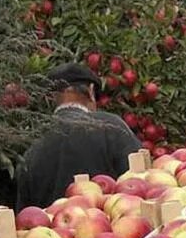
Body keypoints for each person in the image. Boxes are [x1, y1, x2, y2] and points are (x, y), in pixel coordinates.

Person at [16, 62, 141, 210]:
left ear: (50, 99)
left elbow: (26, 213)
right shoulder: (112, 127)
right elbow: (140, 182)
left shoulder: (33, 143)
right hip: (114, 228)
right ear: (91, 91)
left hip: (51, 231)